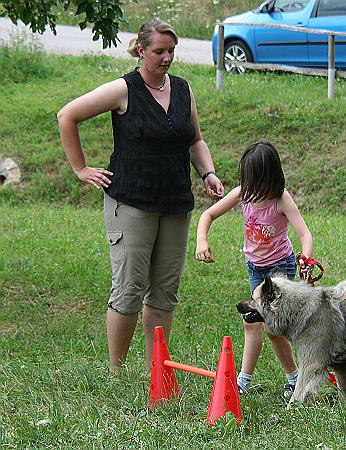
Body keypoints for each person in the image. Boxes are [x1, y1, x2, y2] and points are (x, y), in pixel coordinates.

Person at [57, 19, 224, 372]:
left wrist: (207, 172)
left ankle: (156, 369)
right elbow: (67, 115)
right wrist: (81, 168)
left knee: (164, 291)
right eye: (159, 51)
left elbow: (195, 140)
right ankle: (117, 370)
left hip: (176, 204)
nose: (167, 58)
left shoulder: (182, 89)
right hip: (130, 203)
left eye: (171, 51)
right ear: (140, 51)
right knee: (129, 288)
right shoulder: (123, 90)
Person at [195, 140, 313, 398]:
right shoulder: (243, 194)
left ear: (272, 178)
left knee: (272, 329)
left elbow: (304, 234)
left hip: (280, 268)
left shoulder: (281, 200)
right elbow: (208, 215)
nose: (255, 189)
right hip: (256, 269)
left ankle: (294, 377)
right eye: (250, 182)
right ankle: (244, 382)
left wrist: (306, 257)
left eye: (259, 183)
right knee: (252, 323)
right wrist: (202, 239)